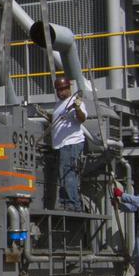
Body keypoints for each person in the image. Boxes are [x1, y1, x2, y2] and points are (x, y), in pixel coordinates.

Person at [51, 75, 87, 210]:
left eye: (63, 89)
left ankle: (73, 204)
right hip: (62, 145)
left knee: (68, 174)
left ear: (68, 88)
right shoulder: (59, 105)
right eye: (58, 90)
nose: (61, 92)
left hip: (71, 143)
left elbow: (81, 118)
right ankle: (66, 203)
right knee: (64, 174)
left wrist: (77, 108)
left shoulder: (74, 102)